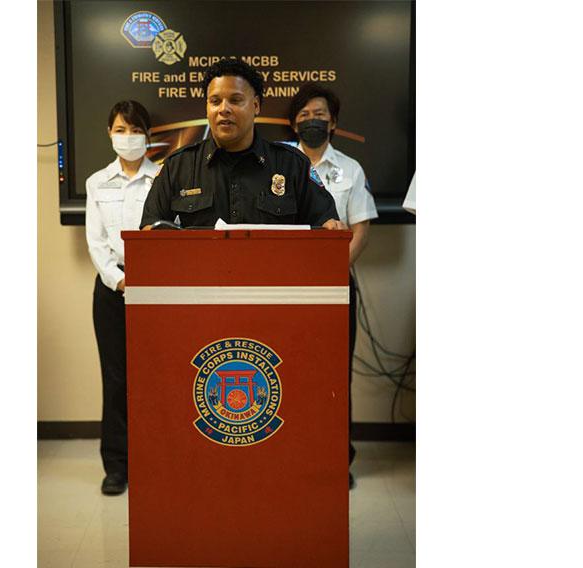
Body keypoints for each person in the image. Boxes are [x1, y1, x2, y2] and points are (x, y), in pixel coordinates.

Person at [287, 83, 379, 489]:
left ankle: (337, 460)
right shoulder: (278, 163)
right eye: (304, 115)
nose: (312, 121)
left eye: (319, 114)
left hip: (336, 287)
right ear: (293, 122)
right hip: (284, 292)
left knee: (333, 377)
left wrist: (335, 271)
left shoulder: (350, 169)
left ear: (334, 122)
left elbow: (361, 226)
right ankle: (293, 454)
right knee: (290, 375)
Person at [140, 58, 343, 229]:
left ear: (255, 106)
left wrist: (331, 227)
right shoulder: (177, 166)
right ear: (207, 107)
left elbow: (327, 231)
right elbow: (150, 233)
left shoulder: (293, 165)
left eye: (235, 100)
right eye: (215, 101)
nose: (224, 109)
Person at [85, 100, 160, 495]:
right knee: (115, 380)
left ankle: (154, 461)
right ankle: (116, 466)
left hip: (157, 291)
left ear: (148, 135)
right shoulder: (97, 182)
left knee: (156, 379)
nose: (127, 138)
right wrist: (118, 281)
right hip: (112, 291)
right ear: (109, 134)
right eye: (120, 129)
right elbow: (95, 243)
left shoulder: (163, 177)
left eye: (135, 130)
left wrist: (148, 282)